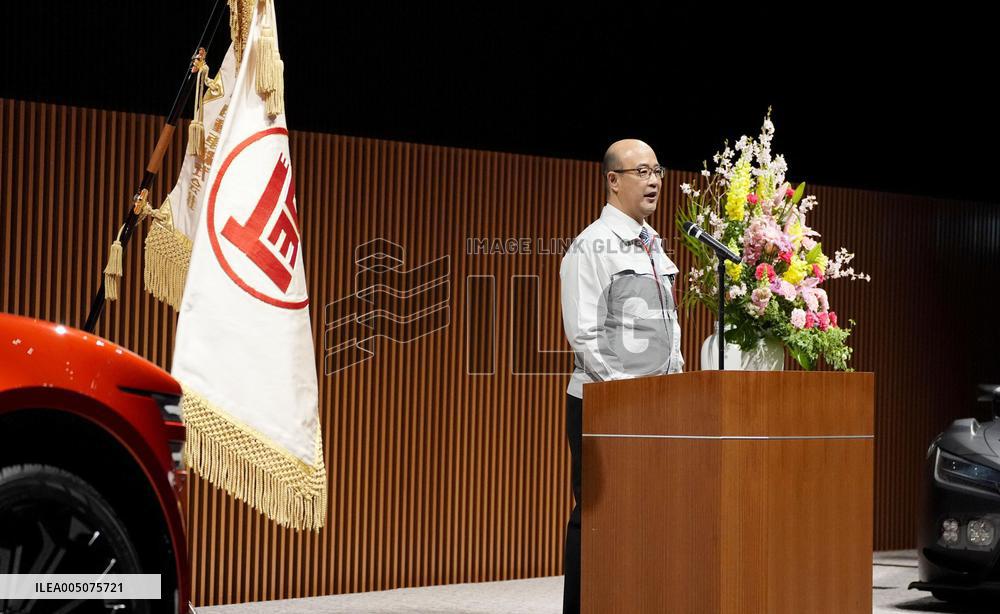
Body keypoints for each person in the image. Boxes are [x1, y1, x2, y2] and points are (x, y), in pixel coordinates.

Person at [559, 138, 684, 614]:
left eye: (658, 171)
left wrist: (676, 388)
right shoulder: (590, 245)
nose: (654, 181)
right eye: (642, 171)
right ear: (613, 180)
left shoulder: (653, 244)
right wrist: (625, 401)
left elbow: (668, 330)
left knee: (646, 518)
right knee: (596, 520)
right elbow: (585, 335)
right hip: (604, 405)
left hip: (657, 405)